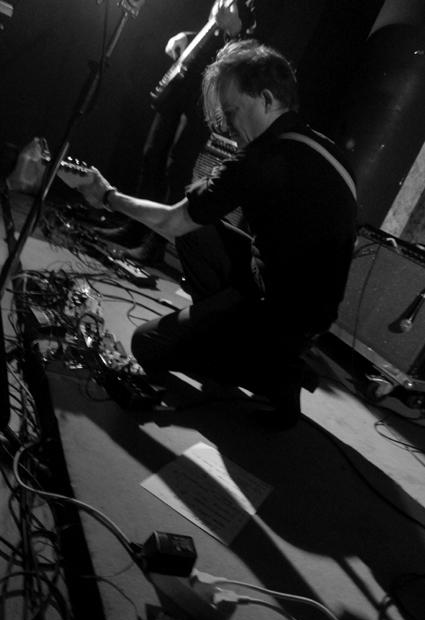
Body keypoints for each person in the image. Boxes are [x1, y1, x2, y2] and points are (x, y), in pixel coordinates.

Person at [77, 39, 357, 428]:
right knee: (199, 232)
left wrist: (107, 196)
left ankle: (276, 372)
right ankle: (236, 342)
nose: (227, 125)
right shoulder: (326, 149)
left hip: (279, 315)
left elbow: (172, 222)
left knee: (147, 344)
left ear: (266, 99)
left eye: (232, 111)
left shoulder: (262, 159)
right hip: (309, 309)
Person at [100, 0, 254, 265]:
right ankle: (136, 227)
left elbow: (249, 49)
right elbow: (213, 32)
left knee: (177, 167)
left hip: (206, 95)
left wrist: (234, 30)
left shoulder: (251, 7)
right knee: (152, 155)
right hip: (183, 84)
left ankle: (156, 244)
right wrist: (188, 36)